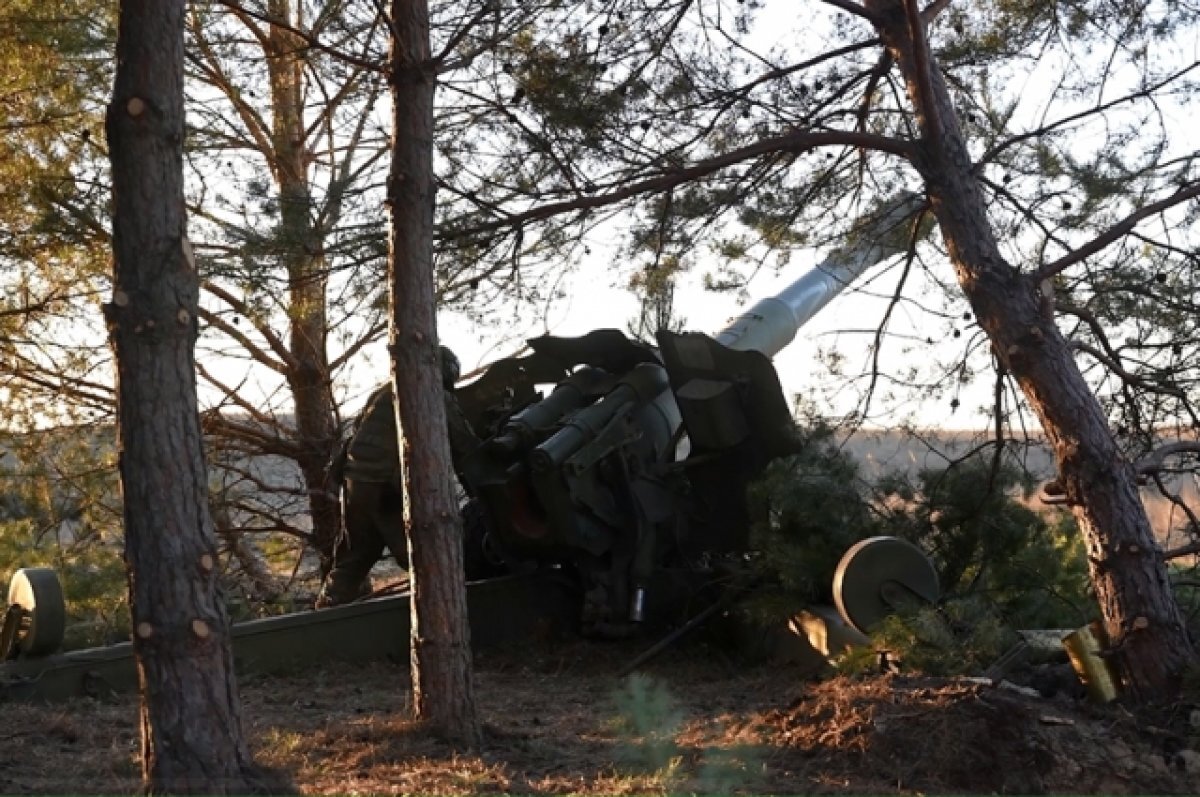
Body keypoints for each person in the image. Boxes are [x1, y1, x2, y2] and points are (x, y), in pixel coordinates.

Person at [316, 346, 479, 607]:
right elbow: (465, 447)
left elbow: (357, 433)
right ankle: (441, 615)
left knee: (355, 555)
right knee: (424, 556)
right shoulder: (434, 393)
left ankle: (327, 609)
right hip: (387, 489)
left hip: (356, 484)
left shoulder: (382, 392)